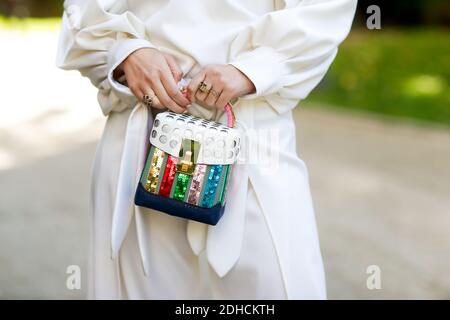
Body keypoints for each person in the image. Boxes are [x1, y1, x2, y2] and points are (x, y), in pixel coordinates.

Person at [57, 0, 357, 299]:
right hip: (145, 127)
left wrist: (257, 67)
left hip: (254, 123)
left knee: (282, 284)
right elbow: (82, 10)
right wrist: (124, 53)